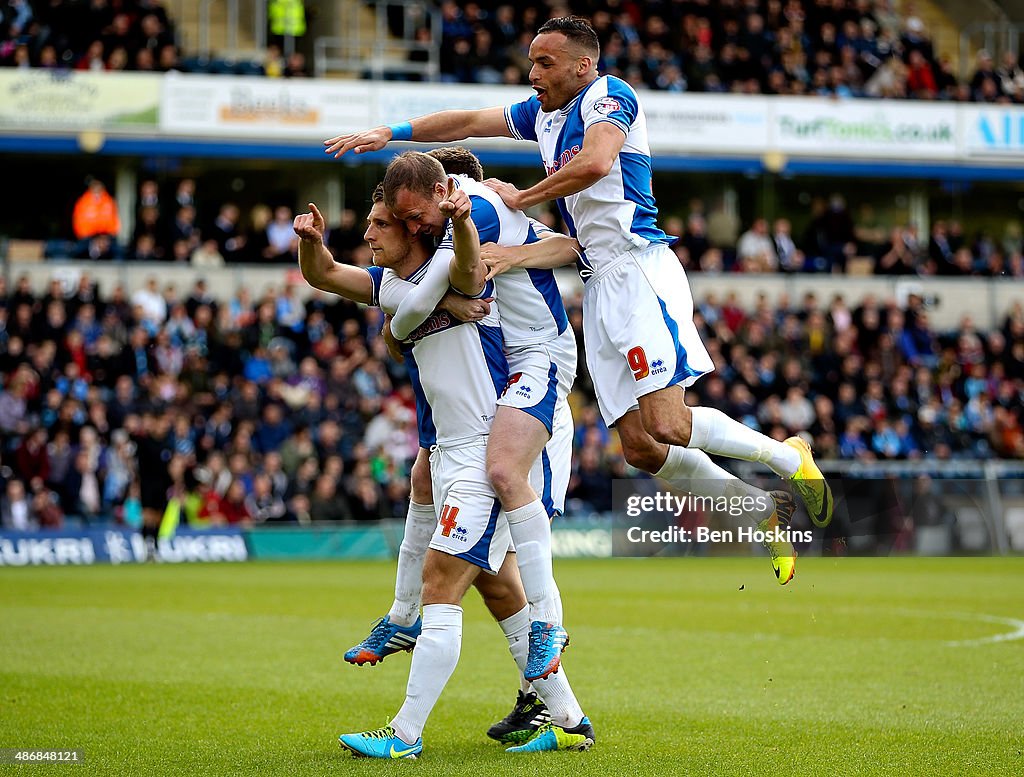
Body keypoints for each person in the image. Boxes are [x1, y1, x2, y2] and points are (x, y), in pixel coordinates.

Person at [324, 15, 830, 583]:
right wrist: (389, 133)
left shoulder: (609, 96)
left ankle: (791, 459)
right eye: (532, 61)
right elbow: (465, 121)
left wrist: (522, 199)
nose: (533, 73)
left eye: (545, 62)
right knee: (640, 447)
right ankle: (759, 512)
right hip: (596, 280)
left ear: (582, 65)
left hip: (639, 268)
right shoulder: (541, 114)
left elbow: (595, 165)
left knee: (669, 422)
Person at [295, 188, 593, 756]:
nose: (371, 235)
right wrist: (311, 245)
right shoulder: (395, 289)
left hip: (486, 446)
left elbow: (465, 265)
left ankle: (404, 732)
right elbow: (327, 275)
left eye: (381, 224)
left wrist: (460, 224)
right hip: (447, 449)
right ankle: (569, 720)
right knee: (498, 586)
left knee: (441, 578)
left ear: (414, 229)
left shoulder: (461, 277)